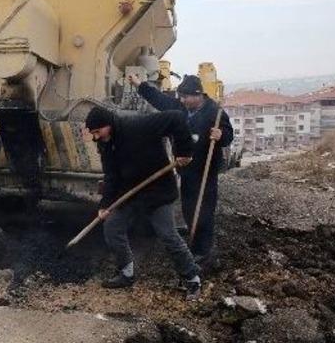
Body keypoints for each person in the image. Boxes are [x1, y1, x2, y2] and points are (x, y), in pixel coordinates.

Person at [85, 106, 203, 300]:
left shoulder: (137, 126)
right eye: (93, 134)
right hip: (130, 193)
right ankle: (127, 272)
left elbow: (175, 117)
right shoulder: (105, 143)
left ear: (108, 125)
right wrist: (105, 204)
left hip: (157, 192)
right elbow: (111, 176)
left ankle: (192, 278)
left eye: (97, 132)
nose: (96, 137)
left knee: (167, 235)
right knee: (112, 227)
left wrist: (184, 150)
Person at [128, 73, 234, 265]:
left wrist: (221, 135)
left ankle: (203, 251)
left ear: (198, 95)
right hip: (185, 169)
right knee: (188, 206)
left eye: (186, 97)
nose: (182, 100)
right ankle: (194, 239)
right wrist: (139, 85)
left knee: (204, 210)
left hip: (205, 170)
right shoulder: (180, 108)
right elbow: (158, 99)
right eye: (181, 97)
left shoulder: (214, 112)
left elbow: (228, 136)